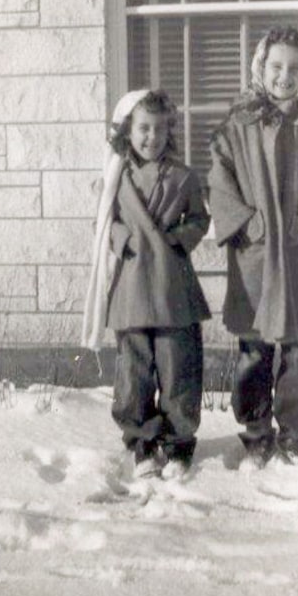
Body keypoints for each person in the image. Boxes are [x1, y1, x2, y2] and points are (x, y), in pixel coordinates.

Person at [208, 26, 298, 469]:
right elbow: (220, 184)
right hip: (256, 256)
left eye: (294, 68)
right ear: (260, 67)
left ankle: (294, 436)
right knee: (254, 349)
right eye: (276, 66)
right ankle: (254, 434)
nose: (284, 76)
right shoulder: (235, 129)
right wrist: (248, 224)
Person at [82, 89, 211, 480]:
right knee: (134, 373)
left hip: (172, 288)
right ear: (127, 130)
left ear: (169, 132)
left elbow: (199, 220)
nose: (151, 137)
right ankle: (140, 442)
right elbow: (102, 223)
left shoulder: (184, 177)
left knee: (178, 369)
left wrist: (178, 239)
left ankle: (177, 445)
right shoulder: (114, 178)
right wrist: (122, 239)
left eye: (159, 129)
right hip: (132, 286)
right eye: (143, 128)